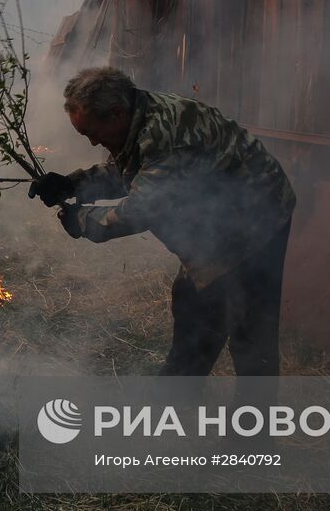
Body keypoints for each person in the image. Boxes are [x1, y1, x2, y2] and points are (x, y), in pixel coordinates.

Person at [29, 67, 296, 377]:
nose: (92, 143)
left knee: (249, 330)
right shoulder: (137, 117)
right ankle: (179, 391)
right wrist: (72, 185)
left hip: (257, 219)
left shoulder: (166, 136)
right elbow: (126, 172)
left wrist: (83, 221)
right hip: (215, 220)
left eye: (91, 132)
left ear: (116, 113)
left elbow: (142, 210)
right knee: (194, 305)